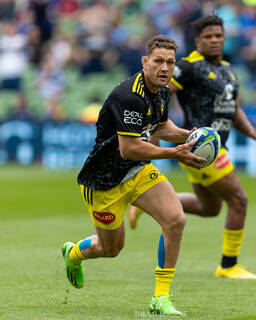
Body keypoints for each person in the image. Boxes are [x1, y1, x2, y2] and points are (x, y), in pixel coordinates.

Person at [61, 34, 206, 316]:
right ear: (145, 62)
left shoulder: (161, 89)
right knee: (111, 248)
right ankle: (74, 253)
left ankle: (160, 298)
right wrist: (175, 153)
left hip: (137, 172)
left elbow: (161, 127)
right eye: (159, 61)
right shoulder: (128, 96)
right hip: (104, 183)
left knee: (175, 219)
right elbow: (130, 148)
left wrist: (191, 136)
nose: (165, 68)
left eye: (170, 62)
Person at [129, 15, 256, 280]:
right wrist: (156, 126)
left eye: (219, 36)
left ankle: (146, 202)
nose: (215, 40)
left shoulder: (228, 69)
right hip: (200, 146)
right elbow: (160, 91)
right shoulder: (189, 67)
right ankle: (228, 265)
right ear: (197, 41)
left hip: (217, 147)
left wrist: (252, 131)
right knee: (239, 200)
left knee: (210, 208)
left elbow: (233, 108)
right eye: (208, 37)